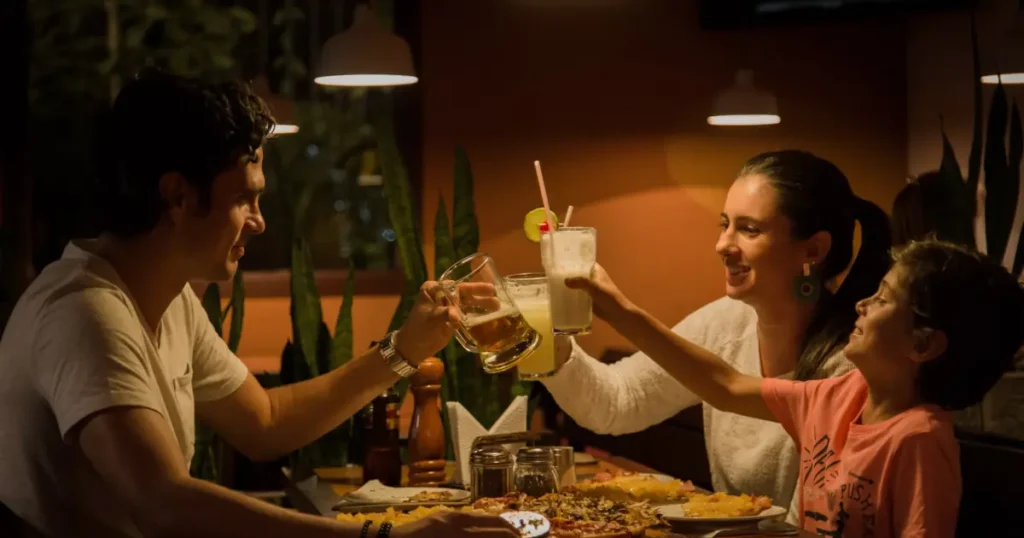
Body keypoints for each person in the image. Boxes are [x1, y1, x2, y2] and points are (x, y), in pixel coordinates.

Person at [0, 71, 517, 538]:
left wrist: (403, 349)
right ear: (178, 197)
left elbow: (265, 421)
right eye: (245, 198)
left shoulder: (167, 297)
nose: (259, 220)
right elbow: (163, 504)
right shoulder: (83, 312)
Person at [567, 238, 1023, 537]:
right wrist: (622, 312)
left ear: (923, 344)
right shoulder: (840, 395)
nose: (862, 304)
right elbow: (723, 384)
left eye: (883, 299)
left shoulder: (918, 441)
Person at [541, 150, 893, 519]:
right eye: (724, 224)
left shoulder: (852, 361)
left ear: (813, 249)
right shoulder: (725, 322)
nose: (723, 245)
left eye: (749, 229)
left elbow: (816, 522)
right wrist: (541, 337)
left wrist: (622, 313)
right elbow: (617, 403)